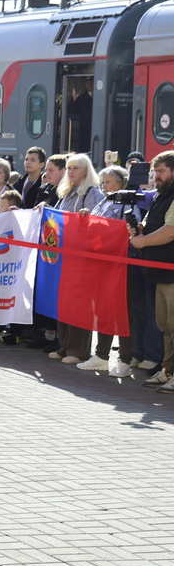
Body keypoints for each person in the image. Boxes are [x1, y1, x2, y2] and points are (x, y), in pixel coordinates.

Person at [73, 165, 136, 376]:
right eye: (103, 182)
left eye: (108, 182)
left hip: (119, 265)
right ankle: (101, 356)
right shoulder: (104, 200)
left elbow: (128, 229)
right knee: (102, 311)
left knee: (121, 312)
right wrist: (86, 215)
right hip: (100, 263)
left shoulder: (129, 202)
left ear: (121, 183)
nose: (104, 186)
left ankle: (125, 359)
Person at [46, 153, 104, 365]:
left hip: (83, 258)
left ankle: (78, 350)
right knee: (64, 302)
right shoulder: (66, 193)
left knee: (80, 304)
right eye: (69, 168)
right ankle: (64, 346)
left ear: (86, 171)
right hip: (64, 257)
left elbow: (98, 223)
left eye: (75, 168)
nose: (70, 172)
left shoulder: (93, 193)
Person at [130, 150, 174, 392]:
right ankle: (167, 370)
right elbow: (152, 221)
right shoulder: (161, 195)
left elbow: (170, 231)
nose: (156, 176)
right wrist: (141, 228)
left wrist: (143, 242)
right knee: (165, 325)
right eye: (155, 171)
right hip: (160, 272)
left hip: (170, 271)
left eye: (161, 171)